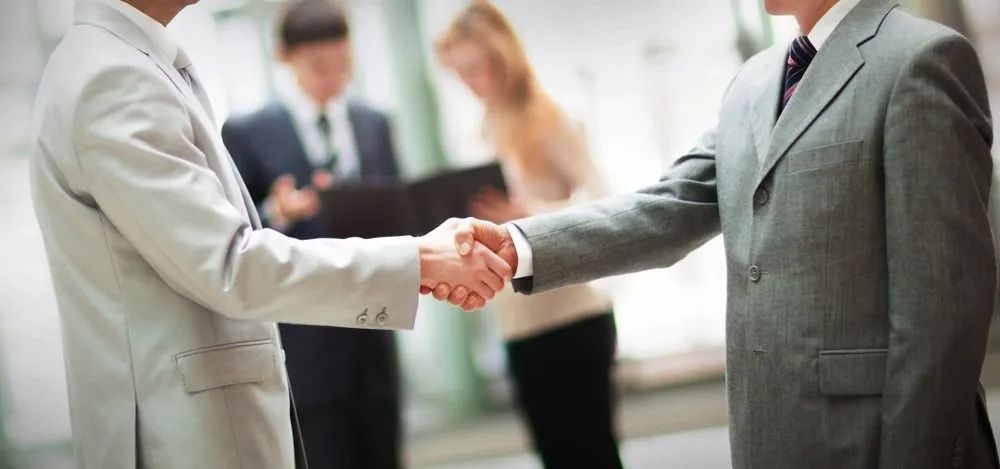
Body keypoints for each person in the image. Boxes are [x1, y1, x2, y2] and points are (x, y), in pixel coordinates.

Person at [432, 0, 1000, 467]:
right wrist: (520, 243)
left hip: (876, 441)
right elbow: (668, 207)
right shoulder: (752, 82)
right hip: (768, 437)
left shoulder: (921, 59)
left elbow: (943, 310)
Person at [28, 0, 512, 467]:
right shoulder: (113, 77)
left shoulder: (125, 62)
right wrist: (421, 260)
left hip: (284, 384)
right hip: (190, 429)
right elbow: (229, 262)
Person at [435, 3, 620, 468]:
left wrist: (528, 215)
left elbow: (606, 205)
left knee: (593, 454)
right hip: (517, 325)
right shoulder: (478, 132)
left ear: (503, 57)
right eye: (461, 73)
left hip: (573, 318)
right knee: (554, 455)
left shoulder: (549, 117)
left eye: (477, 68)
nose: (471, 82)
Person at [221, 1, 404, 467]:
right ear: (285, 57)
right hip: (304, 346)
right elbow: (232, 235)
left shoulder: (374, 123)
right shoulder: (248, 132)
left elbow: (400, 212)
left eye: (343, 63)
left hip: (375, 333)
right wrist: (276, 211)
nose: (334, 77)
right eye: (319, 65)